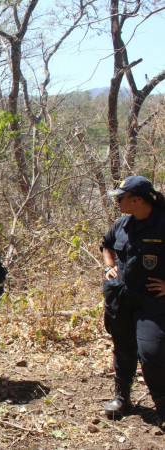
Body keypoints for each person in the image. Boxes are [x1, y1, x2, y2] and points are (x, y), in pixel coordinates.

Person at [102, 175, 165, 426]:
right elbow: (106, 244)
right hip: (121, 300)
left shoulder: (162, 224)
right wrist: (109, 267)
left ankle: (161, 403)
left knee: (152, 352)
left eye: (121, 197)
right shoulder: (123, 223)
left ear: (136, 200)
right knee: (124, 350)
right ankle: (122, 397)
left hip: (151, 304)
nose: (118, 202)